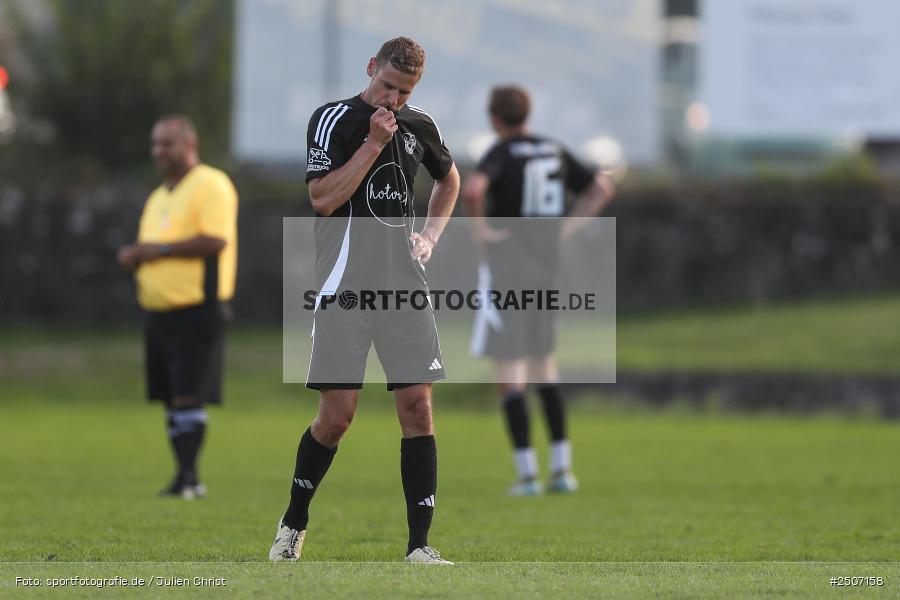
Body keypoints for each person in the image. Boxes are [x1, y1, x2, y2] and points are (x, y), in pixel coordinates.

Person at [269, 37, 460, 564]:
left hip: (404, 291)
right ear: (371, 67)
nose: (392, 100)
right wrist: (374, 144)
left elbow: (449, 180)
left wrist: (430, 236)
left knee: (418, 408)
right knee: (337, 417)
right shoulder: (333, 119)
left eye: (404, 92)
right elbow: (323, 199)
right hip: (343, 291)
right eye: (387, 86)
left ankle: (419, 546)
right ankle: (293, 523)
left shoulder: (420, 125)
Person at [462, 85, 615, 496]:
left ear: (494, 119)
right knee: (545, 368)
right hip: (546, 272)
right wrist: (568, 227)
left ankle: (527, 474)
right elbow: (602, 188)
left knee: (510, 374)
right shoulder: (554, 149)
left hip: (507, 270)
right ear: (527, 114)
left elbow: (473, 190)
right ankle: (562, 470)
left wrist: (480, 232)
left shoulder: (501, 152)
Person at [117, 115, 238, 500]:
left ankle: (189, 479)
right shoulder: (158, 196)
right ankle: (184, 478)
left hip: (196, 308)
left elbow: (215, 240)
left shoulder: (211, 184)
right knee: (170, 397)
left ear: (189, 145)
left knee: (189, 395)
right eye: (155, 143)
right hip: (159, 312)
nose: (158, 150)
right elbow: (152, 247)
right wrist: (137, 256)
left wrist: (161, 249)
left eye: (167, 143)